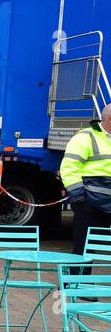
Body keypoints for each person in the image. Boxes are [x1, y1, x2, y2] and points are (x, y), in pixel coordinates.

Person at [59, 104, 111, 271]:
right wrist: (80, 198)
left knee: (97, 245)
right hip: (89, 203)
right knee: (83, 246)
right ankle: (75, 283)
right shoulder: (84, 138)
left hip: (106, 202)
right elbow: (69, 167)